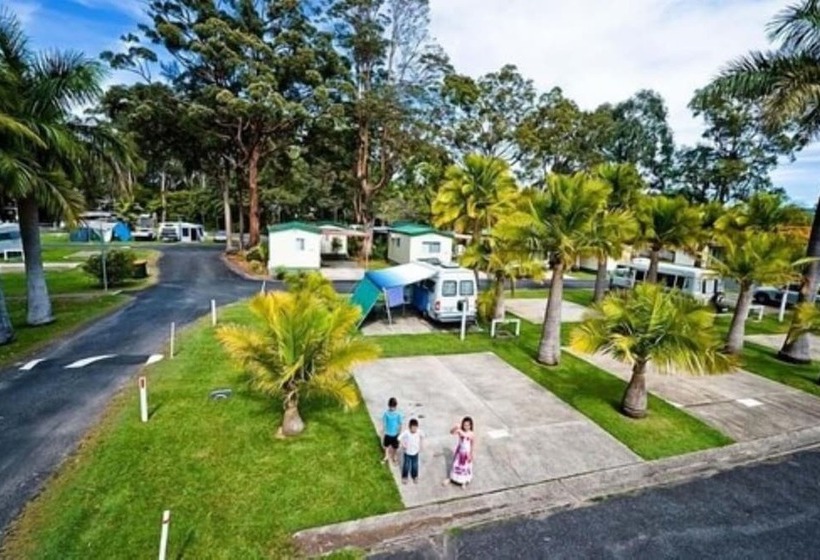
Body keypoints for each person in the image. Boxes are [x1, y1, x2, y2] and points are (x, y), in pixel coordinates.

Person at [443, 416, 475, 488]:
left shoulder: (471, 434)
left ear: (470, 426)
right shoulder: (460, 431)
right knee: (455, 465)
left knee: (465, 467)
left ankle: (464, 482)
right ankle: (451, 478)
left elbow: (472, 443)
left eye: (468, 425)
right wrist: (455, 427)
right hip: (460, 452)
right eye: (465, 425)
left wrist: (471, 454)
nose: (466, 427)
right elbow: (451, 432)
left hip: (466, 453)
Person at [399, 418, 424, 484]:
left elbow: (422, 437)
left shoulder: (419, 431)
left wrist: (421, 445)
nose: (415, 430)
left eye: (416, 428)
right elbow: (399, 438)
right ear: (409, 427)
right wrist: (403, 444)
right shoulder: (406, 432)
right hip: (407, 452)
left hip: (415, 452)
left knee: (415, 465)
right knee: (406, 465)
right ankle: (405, 477)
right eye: (413, 428)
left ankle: (415, 476)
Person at [381, 397, 403, 465]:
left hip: (395, 434)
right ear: (389, 405)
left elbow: (400, 424)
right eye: (391, 406)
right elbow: (384, 423)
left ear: (396, 406)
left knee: (395, 447)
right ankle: (386, 456)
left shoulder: (398, 414)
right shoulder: (386, 413)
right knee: (386, 446)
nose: (392, 408)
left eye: (393, 407)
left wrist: (399, 433)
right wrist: (383, 432)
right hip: (388, 433)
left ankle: (394, 456)